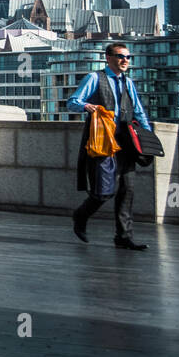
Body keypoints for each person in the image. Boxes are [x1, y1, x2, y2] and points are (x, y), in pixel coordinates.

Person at [68, 42, 154, 250]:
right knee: (103, 191)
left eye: (127, 57)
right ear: (108, 58)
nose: (125, 60)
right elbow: (72, 101)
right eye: (120, 56)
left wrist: (148, 136)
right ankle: (80, 215)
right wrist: (86, 105)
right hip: (103, 142)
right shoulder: (95, 78)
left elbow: (139, 111)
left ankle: (123, 236)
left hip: (126, 142)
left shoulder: (129, 83)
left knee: (127, 189)